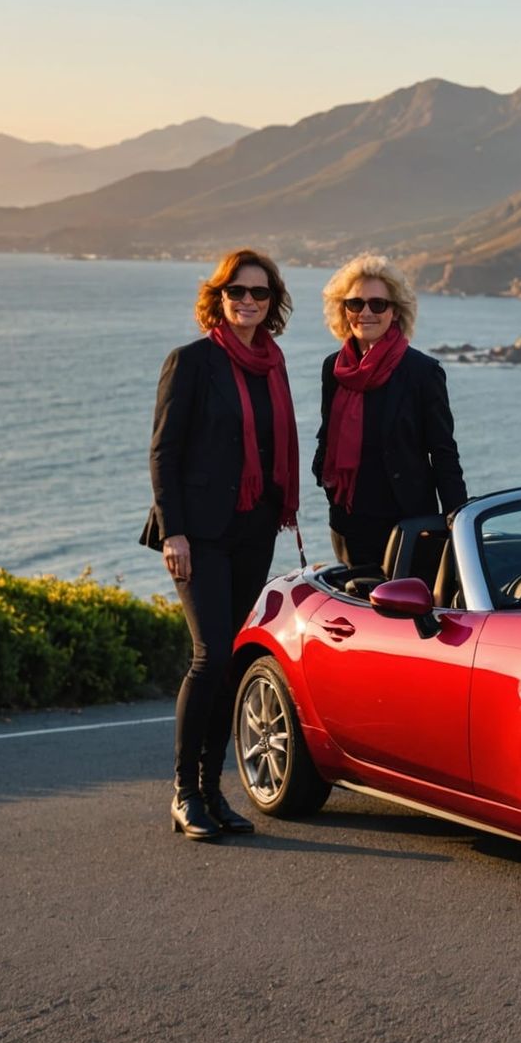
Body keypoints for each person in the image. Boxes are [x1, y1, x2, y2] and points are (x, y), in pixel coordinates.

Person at [141, 248, 299, 841]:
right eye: (237, 292)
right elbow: (164, 452)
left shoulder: (273, 366)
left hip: (252, 530)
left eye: (258, 293)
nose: (247, 302)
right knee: (209, 657)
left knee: (229, 659)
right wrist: (172, 530)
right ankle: (184, 793)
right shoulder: (192, 362)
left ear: (271, 302)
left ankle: (213, 791)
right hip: (197, 533)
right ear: (219, 297)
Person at [314, 254, 466, 569]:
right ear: (344, 310)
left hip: (407, 525)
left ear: (395, 311)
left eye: (377, 304)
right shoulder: (335, 368)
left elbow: (443, 451)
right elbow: (327, 433)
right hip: (348, 521)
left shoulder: (422, 372)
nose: (365, 312)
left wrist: (457, 518)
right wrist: (325, 479)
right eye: (355, 304)